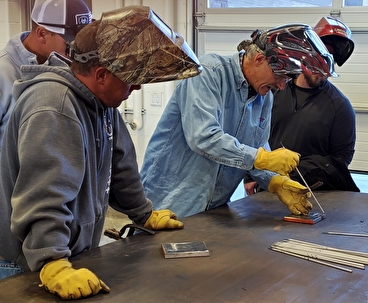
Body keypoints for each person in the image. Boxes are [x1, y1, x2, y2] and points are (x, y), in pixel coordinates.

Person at [0, 5, 202, 300]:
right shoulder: (54, 106)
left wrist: (143, 213)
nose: (134, 87)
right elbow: (44, 195)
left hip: (71, 254)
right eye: (129, 79)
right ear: (102, 74)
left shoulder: (100, 103)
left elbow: (120, 165)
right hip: (28, 264)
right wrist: (51, 261)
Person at [140, 23, 337, 218]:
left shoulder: (264, 97)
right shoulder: (208, 73)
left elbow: (257, 145)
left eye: (286, 80)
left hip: (213, 210)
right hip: (168, 204)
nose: (282, 86)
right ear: (260, 59)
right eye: (281, 77)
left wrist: (274, 181)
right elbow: (203, 137)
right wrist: (262, 159)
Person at [244, 16, 359, 196]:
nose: (321, 71)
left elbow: (340, 159)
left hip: (310, 192)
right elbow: (252, 132)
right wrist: (249, 177)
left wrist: (304, 173)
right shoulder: (273, 89)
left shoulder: (340, 106)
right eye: (317, 60)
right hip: (266, 185)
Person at [0, 0, 92, 154]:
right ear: (42, 34)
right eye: (71, 43)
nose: (77, 51)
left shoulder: (70, 67)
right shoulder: (3, 73)